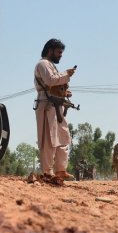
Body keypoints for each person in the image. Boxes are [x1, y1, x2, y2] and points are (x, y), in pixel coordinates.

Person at [34, 38, 75, 180]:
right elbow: (50, 80)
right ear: (50, 50)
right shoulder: (43, 64)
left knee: (63, 137)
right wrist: (66, 74)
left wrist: (64, 93)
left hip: (56, 106)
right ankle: (47, 171)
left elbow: (54, 85)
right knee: (48, 139)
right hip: (46, 105)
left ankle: (61, 170)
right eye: (58, 52)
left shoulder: (50, 65)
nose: (60, 55)